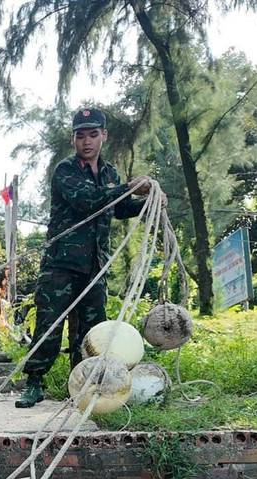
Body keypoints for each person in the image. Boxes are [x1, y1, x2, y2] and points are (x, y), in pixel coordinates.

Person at [16, 108, 156, 409]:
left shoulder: (109, 174)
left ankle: (86, 387)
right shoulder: (65, 170)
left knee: (93, 332)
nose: (87, 141)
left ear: (103, 135)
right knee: (49, 326)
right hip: (61, 265)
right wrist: (129, 187)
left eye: (93, 134)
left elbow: (118, 208)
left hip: (95, 266)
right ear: (73, 139)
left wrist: (150, 201)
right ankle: (35, 383)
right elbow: (87, 202)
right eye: (81, 135)